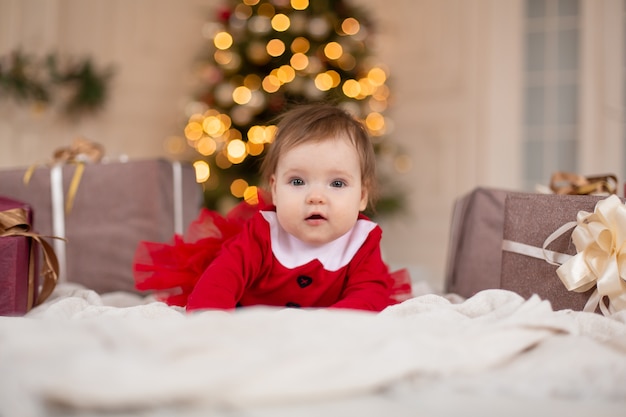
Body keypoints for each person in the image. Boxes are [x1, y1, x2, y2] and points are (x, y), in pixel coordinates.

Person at [133, 103, 411, 311]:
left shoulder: (362, 241)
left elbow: (369, 295)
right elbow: (223, 277)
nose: (315, 197)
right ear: (275, 190)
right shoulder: (264, 233)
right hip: (254, 320)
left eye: (337, 184)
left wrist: (329, 328)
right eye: (298, 181)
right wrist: (211, 319)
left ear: (362, 196)